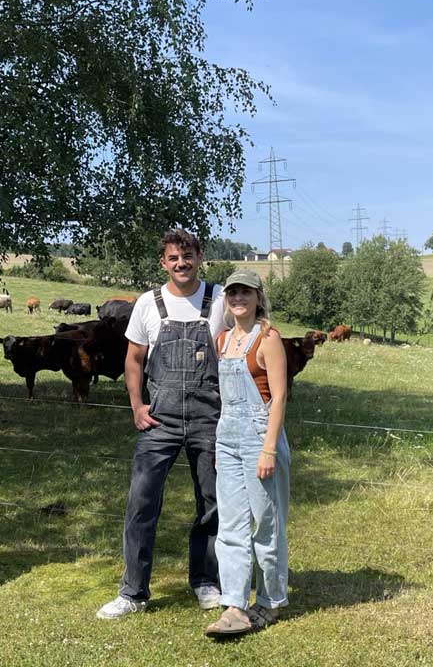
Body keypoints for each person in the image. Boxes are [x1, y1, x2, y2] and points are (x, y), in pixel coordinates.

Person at [97, 228, 226, 619]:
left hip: (210, 418)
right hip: (160, 420)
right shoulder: (148, 304)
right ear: (163, 262)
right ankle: (133, 592)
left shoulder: (220, 299)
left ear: (199, 257)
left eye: (187, 257)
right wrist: (137, 406)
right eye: (173, 258)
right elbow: (133, 359)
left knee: (212, 504)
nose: (181, 264)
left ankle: (206, 581)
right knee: (141, 502)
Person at [204, 269, 290, 637]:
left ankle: (270, 601)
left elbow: (280, 396)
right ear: (226, 298)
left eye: (246, 292)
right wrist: (220, 445)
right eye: (233, 292)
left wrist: (268, 449)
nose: (238, 298)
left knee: (266, 523)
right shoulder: (222, 340)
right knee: (231, 525)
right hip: (228, 439)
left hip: (260, 438)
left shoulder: (268, 338)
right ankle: (235, 605)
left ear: (258, 298)